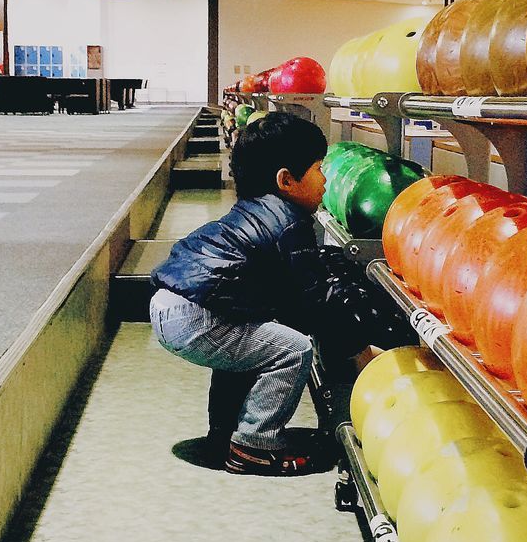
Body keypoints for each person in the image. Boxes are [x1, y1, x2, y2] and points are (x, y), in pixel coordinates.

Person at [150, 112, 396, 476]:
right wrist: (359, 352)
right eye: (318, 168)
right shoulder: (290, 225)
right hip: (195, 314)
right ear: (286, 180)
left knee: (254, 345)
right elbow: (317, 303)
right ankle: (254, 445)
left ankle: (224, 433)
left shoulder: (256, 210)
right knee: (293, 349)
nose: (327, 179)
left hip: (172, 304)